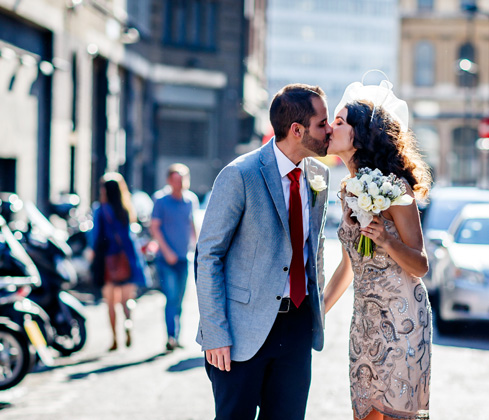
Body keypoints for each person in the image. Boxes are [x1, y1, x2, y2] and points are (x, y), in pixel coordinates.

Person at [195, 83, 331, 420]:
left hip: (298, 326)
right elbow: (208, 256)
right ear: (297, 130)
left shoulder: (319, 175)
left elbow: (314, 250)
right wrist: (215, 333)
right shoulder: (239, 175)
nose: (330, 130)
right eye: (322, 124)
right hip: (242, 331)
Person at [323, 79, 432, 420]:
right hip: (365, 322)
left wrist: (387, 240)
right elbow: (347, 266)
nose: (330, 126)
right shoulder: (346, 191)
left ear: (360, 134)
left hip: (403, 321)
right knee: (364, 413)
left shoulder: (395, 188)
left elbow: (420, 265)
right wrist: (318, 311)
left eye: (339, 122)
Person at [91, 172, 148, 351]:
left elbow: (94, 237)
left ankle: (115, 339)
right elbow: (130, 238)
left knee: (110, 302)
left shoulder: (100, 210)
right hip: (126, 260)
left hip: (108, 261)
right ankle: (128, 323)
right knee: (126, 300)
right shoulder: (125, 209)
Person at [151, 163, 198, 351]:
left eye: (182, 179)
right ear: (169, 181)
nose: (179, 183)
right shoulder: (161, 201)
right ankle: (170, 336)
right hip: (166, 259)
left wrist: (197, 247)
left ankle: (177, 336)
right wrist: (167, 251)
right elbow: (154, 227)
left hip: (183, 258)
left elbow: (191, 224)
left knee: (180, 299)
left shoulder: (190, 200)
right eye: (175, 180)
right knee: (171, 297)